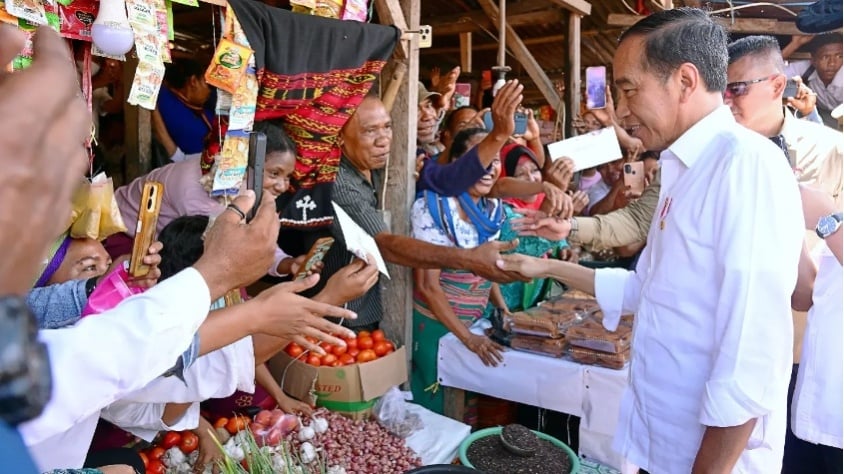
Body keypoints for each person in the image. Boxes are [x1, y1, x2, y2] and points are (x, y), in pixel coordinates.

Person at [498, 9, 804, 473]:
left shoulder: (745, 166)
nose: (621, 110)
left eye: (628, 89)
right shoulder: (684, 167)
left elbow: (751, 356)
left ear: (684, 80)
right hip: (663, 446)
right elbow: (649, 289)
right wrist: (545, 267)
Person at [296, 87, 527, 331]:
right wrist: (468, 258)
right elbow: (384, 245)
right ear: (340, 136)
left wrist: (500, 137)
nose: (383, 139)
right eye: (370, 131)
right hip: (345, 315)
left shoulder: (388, 165)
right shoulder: (336, 181)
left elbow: (448, 178)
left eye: (387, 127)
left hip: (380, 309)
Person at [411, 133, 507, 414]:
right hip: (437, 330)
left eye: (496, 160)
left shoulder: (491, 209)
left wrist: (502, 308)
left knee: (467, 409)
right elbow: (427, 286)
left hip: (473, 324)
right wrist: (467, 338)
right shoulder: (433, 209)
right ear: (457, 165)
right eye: (482, 160)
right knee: (436, 409)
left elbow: (486, 269)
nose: (490, 169)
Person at [785, 185, 843, 474]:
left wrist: (827, 217)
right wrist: (789, 222)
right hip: (809, 414)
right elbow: (805, 295)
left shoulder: (836, 222)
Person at [152, 58, 215, 162]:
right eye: (207, 84)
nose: (209, 91)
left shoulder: (200, 110)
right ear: (193, 81)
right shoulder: (169, 104)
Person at [783, 34, 843, 128]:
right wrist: (794, 44)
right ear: (813, 60)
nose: (832, 63)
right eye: (825, 57)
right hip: (819, 116)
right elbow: (769, 74)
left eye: (839, 56)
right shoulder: (808, 68)